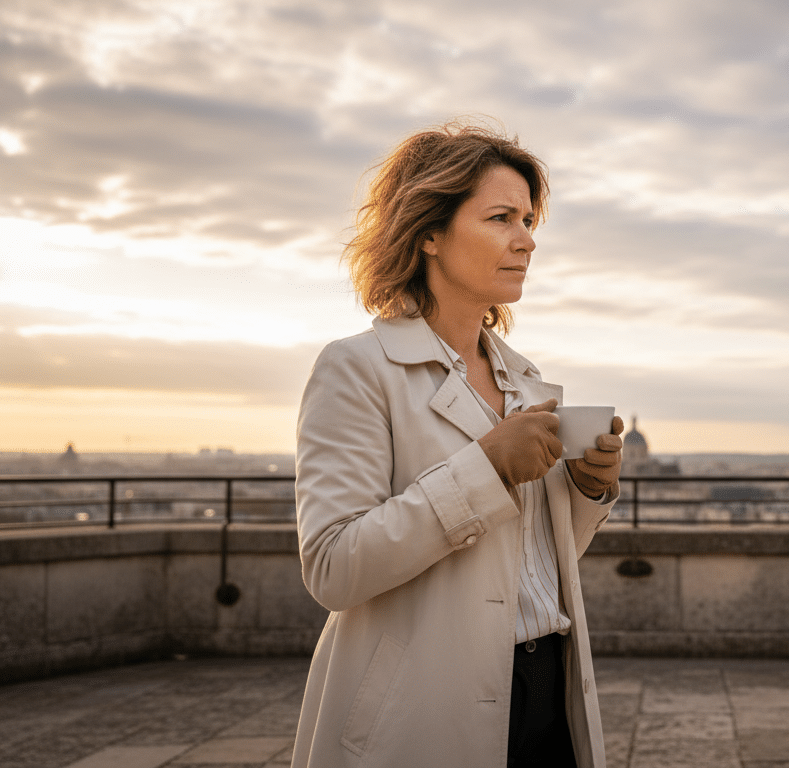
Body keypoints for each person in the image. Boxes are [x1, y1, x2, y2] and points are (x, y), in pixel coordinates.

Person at [290, 121, 622, 768]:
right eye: (501, 217)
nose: (526, 241)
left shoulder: (526, 381)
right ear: (430, 234)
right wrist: (488, 465)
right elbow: (333, 567)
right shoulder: (357, 369)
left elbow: (530, 564)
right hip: (420, 704)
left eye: (528, 220)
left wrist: (586, 491)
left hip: (548, 691)